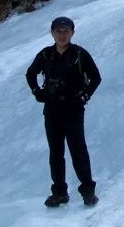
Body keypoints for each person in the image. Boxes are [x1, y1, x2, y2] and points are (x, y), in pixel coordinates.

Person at [26, 16, 102, 207]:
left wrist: (84, 97)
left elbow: (95, 78)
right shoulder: (45, 55)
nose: (62, 35)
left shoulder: (79, 54)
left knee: (78, 150)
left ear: (72, 33)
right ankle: (59, 192)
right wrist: (37, 91)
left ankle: (88, 191)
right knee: (56, 152)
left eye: (65, 31)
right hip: (51, 108)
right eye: (58, 31)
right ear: (52, 33)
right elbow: (30, 73)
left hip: (73, 109)